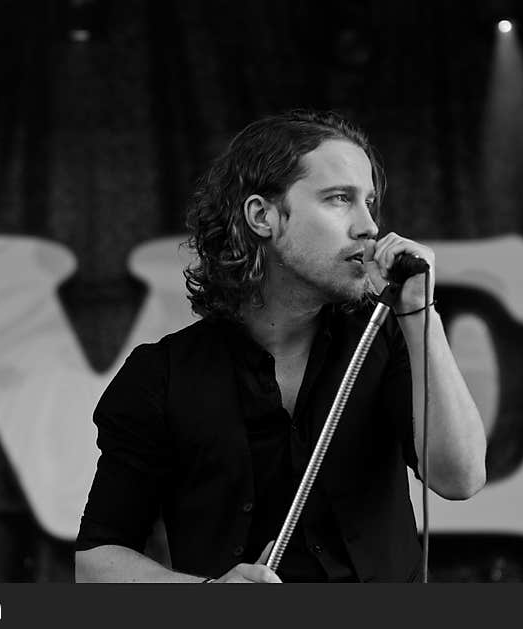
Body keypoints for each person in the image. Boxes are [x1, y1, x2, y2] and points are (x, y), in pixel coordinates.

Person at [74, 110, 486, 583]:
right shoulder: (163, 375)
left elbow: (461, 479)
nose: (369, 226)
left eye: (370, 203)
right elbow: (96, 561)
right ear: (262, 216)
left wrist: (421, 314)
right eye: (339, 200)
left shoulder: (388, 337)